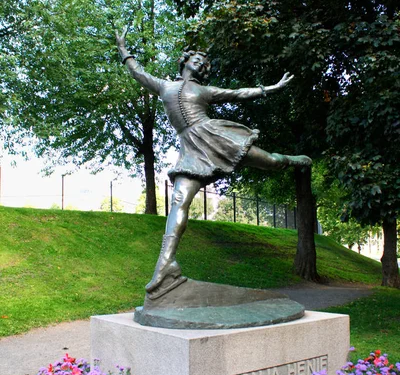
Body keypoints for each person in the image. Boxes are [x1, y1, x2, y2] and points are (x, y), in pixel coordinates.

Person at [116, 30, 311, 299]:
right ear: (184, 61)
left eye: (203, 63)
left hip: (216, 137)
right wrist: (123, 48)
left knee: (271, 161)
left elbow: (237, 93)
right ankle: (166, 264)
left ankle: (291, 160)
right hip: (191, 149)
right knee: (179, 200)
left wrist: (271, 88)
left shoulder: (204, 90)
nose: (199, 63)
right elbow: (137, 72)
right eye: (195, 59)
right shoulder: (164, 86)